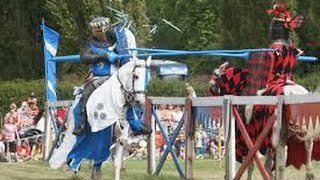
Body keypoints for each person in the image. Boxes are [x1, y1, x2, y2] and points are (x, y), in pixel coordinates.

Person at [72, 17, 151, 136]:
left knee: (130, 96)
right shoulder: (91, 43)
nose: (101, 34)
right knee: (85, 95)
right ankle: (81, 124)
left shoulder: (117, 40)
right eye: (98, 31)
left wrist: (121, 53)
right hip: (98, 78)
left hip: (117, 78)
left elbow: (126, 55)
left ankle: (136, 126)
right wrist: (105, 56)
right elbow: (84, 57)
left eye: (103, 30)